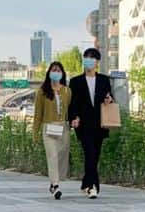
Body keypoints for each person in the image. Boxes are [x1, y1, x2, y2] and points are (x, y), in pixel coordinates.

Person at [67, 47, 114, 198]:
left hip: (100, 124)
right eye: (86, 58)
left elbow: (109, 97)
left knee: (96, 154)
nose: (89, 62)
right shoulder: (75, 82)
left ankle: (86, 182)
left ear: (97, 62)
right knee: (89, 153)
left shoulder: (104, 80)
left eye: (92, 59)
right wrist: (73, 117)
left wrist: (109, 99)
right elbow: (72, 103)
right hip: (83, 124)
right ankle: (93, 186)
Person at [32, 60, 71, 200]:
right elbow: (38, 114)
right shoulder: (42, 92)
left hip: (63, 127)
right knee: (52, 155)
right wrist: (35, 132)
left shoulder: (67, 91)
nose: (56, 73)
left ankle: (55, 182)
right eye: (53, 70)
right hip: (49, 127)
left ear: (62, 74)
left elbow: (71, 110)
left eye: (58, 70)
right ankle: (55, 185)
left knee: (61, 157)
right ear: (49, 73)